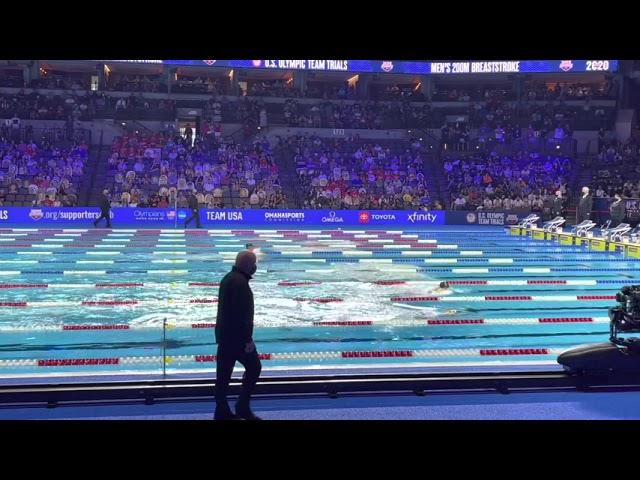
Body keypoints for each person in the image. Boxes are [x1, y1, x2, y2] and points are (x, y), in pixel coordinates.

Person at [214, 250, 262, 420]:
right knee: (255, 367)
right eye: (254, 263)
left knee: (224, 375)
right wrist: (248, 340)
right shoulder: (240, 283)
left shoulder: (229, 278)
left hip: (225, 335)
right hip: (237, 338)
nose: (256, 267)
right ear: (249, 264)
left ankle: (221, 411)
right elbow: (241, 315)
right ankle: (242, 406)